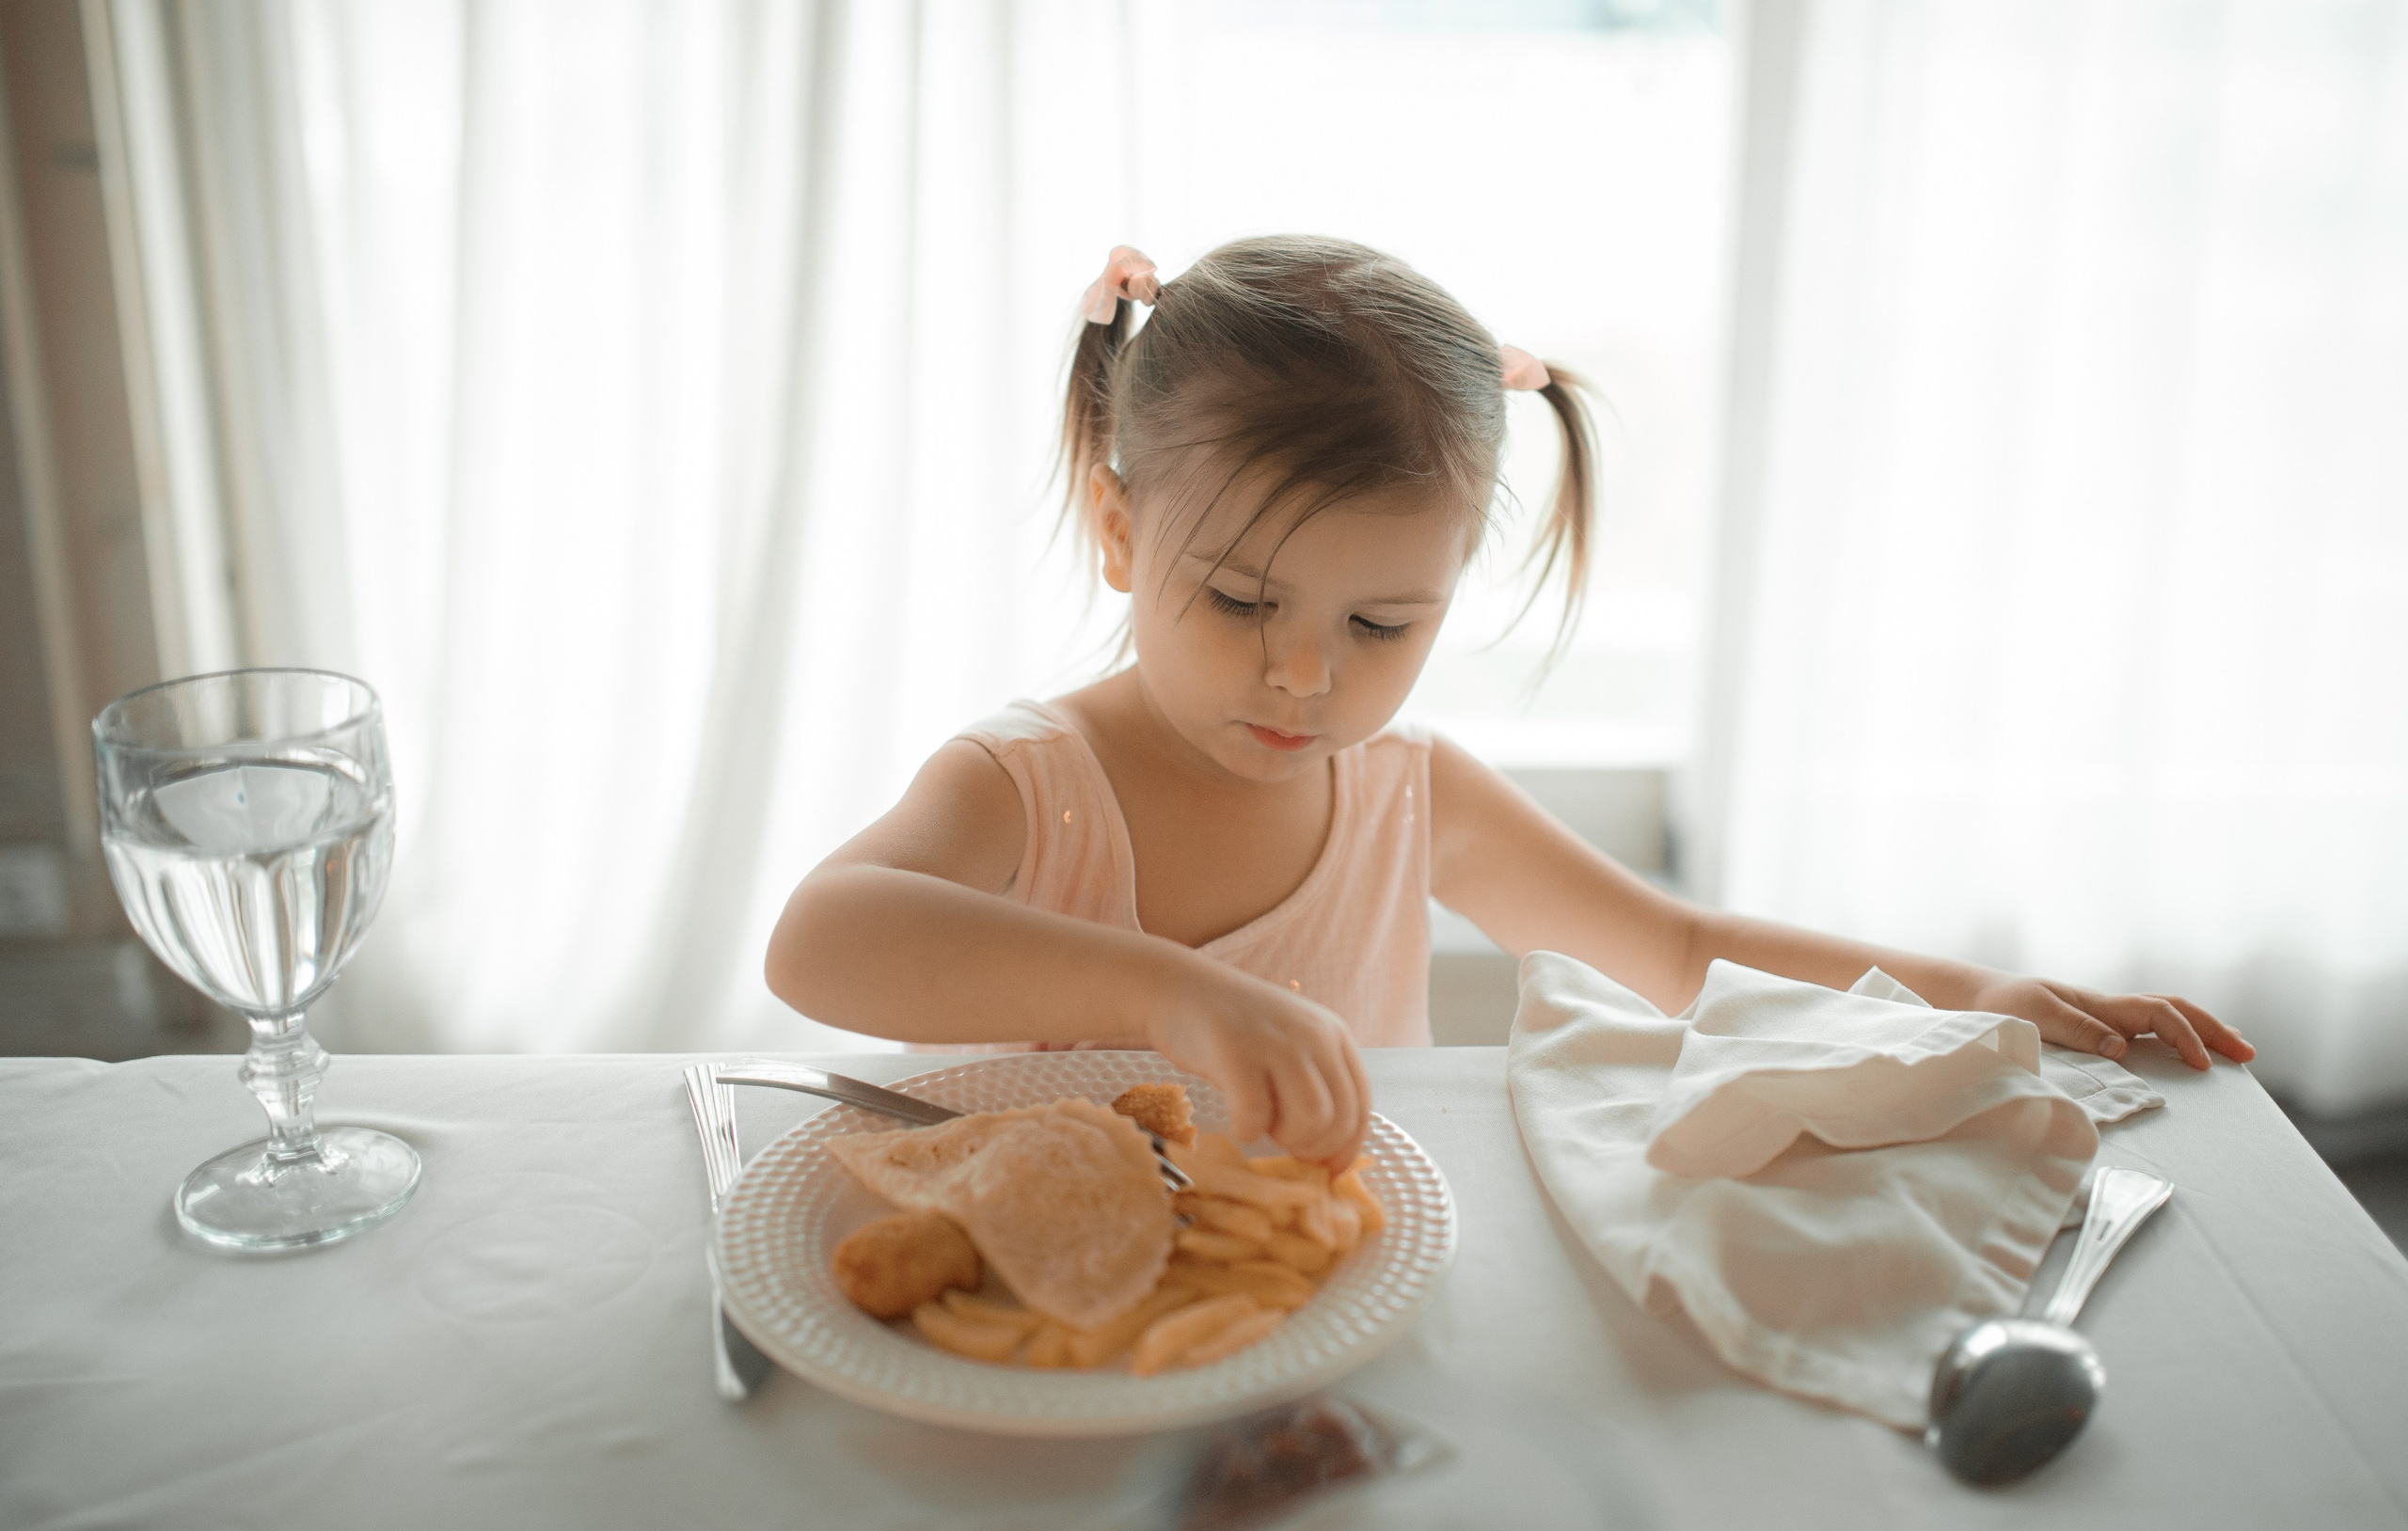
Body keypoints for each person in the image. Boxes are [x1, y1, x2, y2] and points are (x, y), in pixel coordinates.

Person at [765, 236, 2251, 1170]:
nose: (1306, 674)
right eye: (1239, 602)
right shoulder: (1033, 784)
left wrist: (1973, 996)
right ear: (1116, 532)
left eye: (1381, 622)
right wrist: (1172, 992)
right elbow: (817, 944)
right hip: (1026, 1299)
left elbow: (1676, 945)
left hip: (1314, 1282)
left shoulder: (1410, 792)